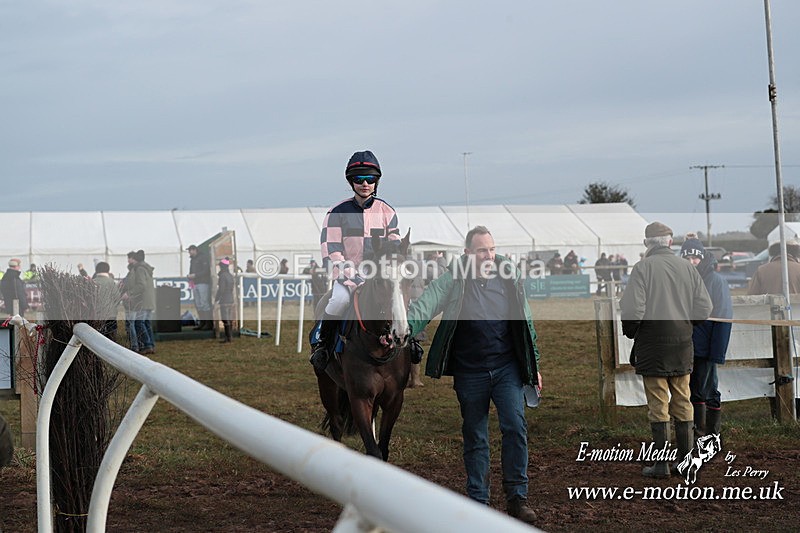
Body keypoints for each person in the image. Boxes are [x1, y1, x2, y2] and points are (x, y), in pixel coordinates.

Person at [407, 226, 541, 525]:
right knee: (475, 434)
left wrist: (534, 365)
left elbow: (526, 321)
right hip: (470, 371)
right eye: (482, 250)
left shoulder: (508, 277)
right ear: (468, 253)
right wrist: (403, 330)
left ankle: (517, 498)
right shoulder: (454, 278)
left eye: (491, 249)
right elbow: (427, 303)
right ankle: (478, 501)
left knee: (515, 427)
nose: (488, 255)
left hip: (507, 368)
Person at [620, 222, 712, 478]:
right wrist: (685, 324)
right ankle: (686, 462)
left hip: (652, 346)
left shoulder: (642, 269)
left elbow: (633, 311)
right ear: (671, 242)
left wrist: (631, 331)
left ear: (647, 244)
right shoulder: (687, 268)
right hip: (682, 345)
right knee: (683, 400)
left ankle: (661, 465)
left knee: (658, 404)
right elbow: (704, 308)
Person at [309, 150, 403, 372]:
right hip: (348, 279)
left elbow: (395, 249)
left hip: (380, 278)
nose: (365, 184)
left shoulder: (387, 212)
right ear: (351, 182)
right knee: (338, 302)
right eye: (359, 179)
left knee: (401, 301)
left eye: (370, 179)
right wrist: (355, 278)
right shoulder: (336, 213)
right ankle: (323, 346)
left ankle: (412, 343)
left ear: (376, 182)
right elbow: (332, 252)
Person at [680, 234, 732, 440]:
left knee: (707, 389)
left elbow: (724, 317)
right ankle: (698, 433)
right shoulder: (682, 279)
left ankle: (708, 435)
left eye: (695, 258)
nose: (692, 262)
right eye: (687, 258)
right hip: (686, 345)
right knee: (693, 389)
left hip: (707, 346)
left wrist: (717, 352)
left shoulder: (716, 281)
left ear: (702, 257)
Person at [122, 250, 156, 354]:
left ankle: (147, 345)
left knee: (140, 323)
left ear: (135, 260)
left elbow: (141, 285)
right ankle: (150, 344)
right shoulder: (146, 268)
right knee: (146, 323)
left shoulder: (140, 269)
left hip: (143, 301)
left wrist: (130, 293)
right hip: (149, 300)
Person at [188, 244, 213, 331]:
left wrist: (195, 275)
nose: (189, 253)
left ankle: (208, 323)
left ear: (194, 250)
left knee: (204, 303)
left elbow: (206, 271)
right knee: (198, 304)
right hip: (195, 283)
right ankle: (202, 323)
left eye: (190, 251)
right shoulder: (192, 260)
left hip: (203, 282)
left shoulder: (203, 257)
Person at [93, 261, 120, 338]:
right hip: (110, 314)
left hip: (97, 314)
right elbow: (117, 297)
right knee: (111, 335)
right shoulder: (111, 281)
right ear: (108, 270)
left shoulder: (93, 281)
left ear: (96, 270)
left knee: (99, 335)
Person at [215, 258, 235, 343]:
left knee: (225, 319)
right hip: (230, 298)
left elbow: (221, 289)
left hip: (224, 299)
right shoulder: (230, 275)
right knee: (229, 319)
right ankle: (230, 336)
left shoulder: (222, 276)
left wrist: (216, 298)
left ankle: (228, 337)